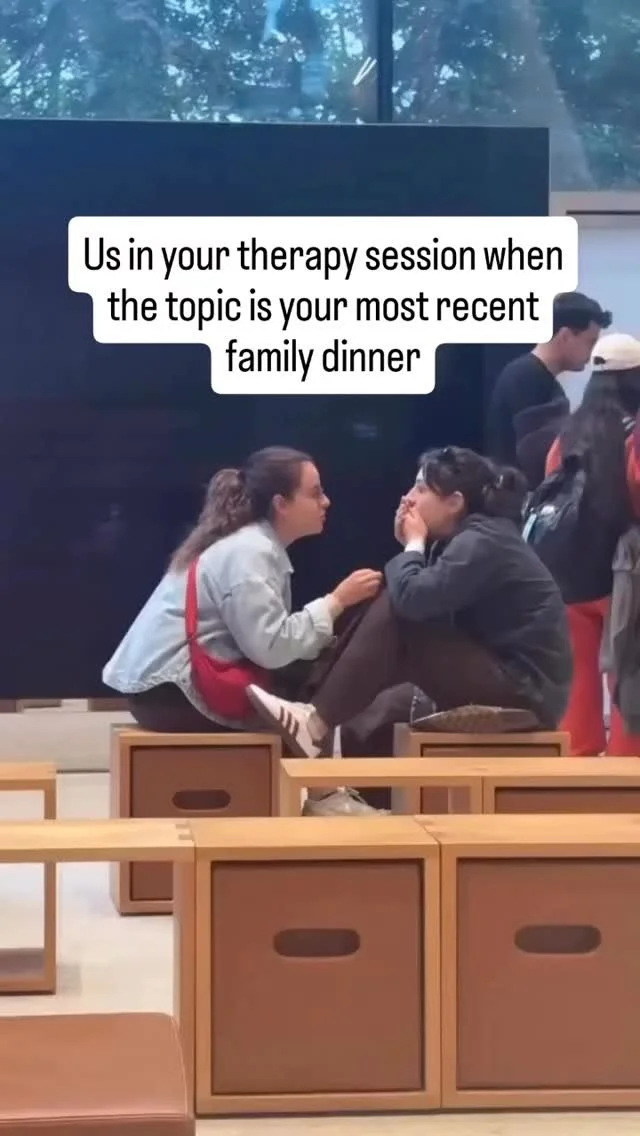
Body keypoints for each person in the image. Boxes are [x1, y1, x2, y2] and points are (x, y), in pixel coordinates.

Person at [246, 447, 573, 760]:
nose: (408, 498)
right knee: (381, 703)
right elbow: (419, 599)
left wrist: (413, 544)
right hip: (505, 678)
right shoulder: (466, 539)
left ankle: (314, 722)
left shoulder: (484, 541)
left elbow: (411, 601)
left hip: (526, 692)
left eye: (421, 489)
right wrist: (412, 547)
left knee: (397, 608)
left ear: (454, 502)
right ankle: (317, 730)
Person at [103, 447, 385, 804]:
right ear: (281, 504)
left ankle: (323, 793)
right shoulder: (250, 551)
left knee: (312, 681)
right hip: (170, 693)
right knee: (309, 693)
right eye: (315, 493)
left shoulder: (250, 544)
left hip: (161, 688)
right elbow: (270, 647)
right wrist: (337, 601)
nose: (326, 502)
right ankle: (324, 797)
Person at [544, 333, 640, 756]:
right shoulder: (634, 434)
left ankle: (576, 774)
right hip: (625, 576)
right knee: (628, 677)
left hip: (567, 574)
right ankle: (626, 772)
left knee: (577, 683)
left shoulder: (566, 436)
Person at [487, 292, 612, 483]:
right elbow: (537, 458)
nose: (593, 351)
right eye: (590, 341)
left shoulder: (534, 377)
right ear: (565, 336)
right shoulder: (527, 378)